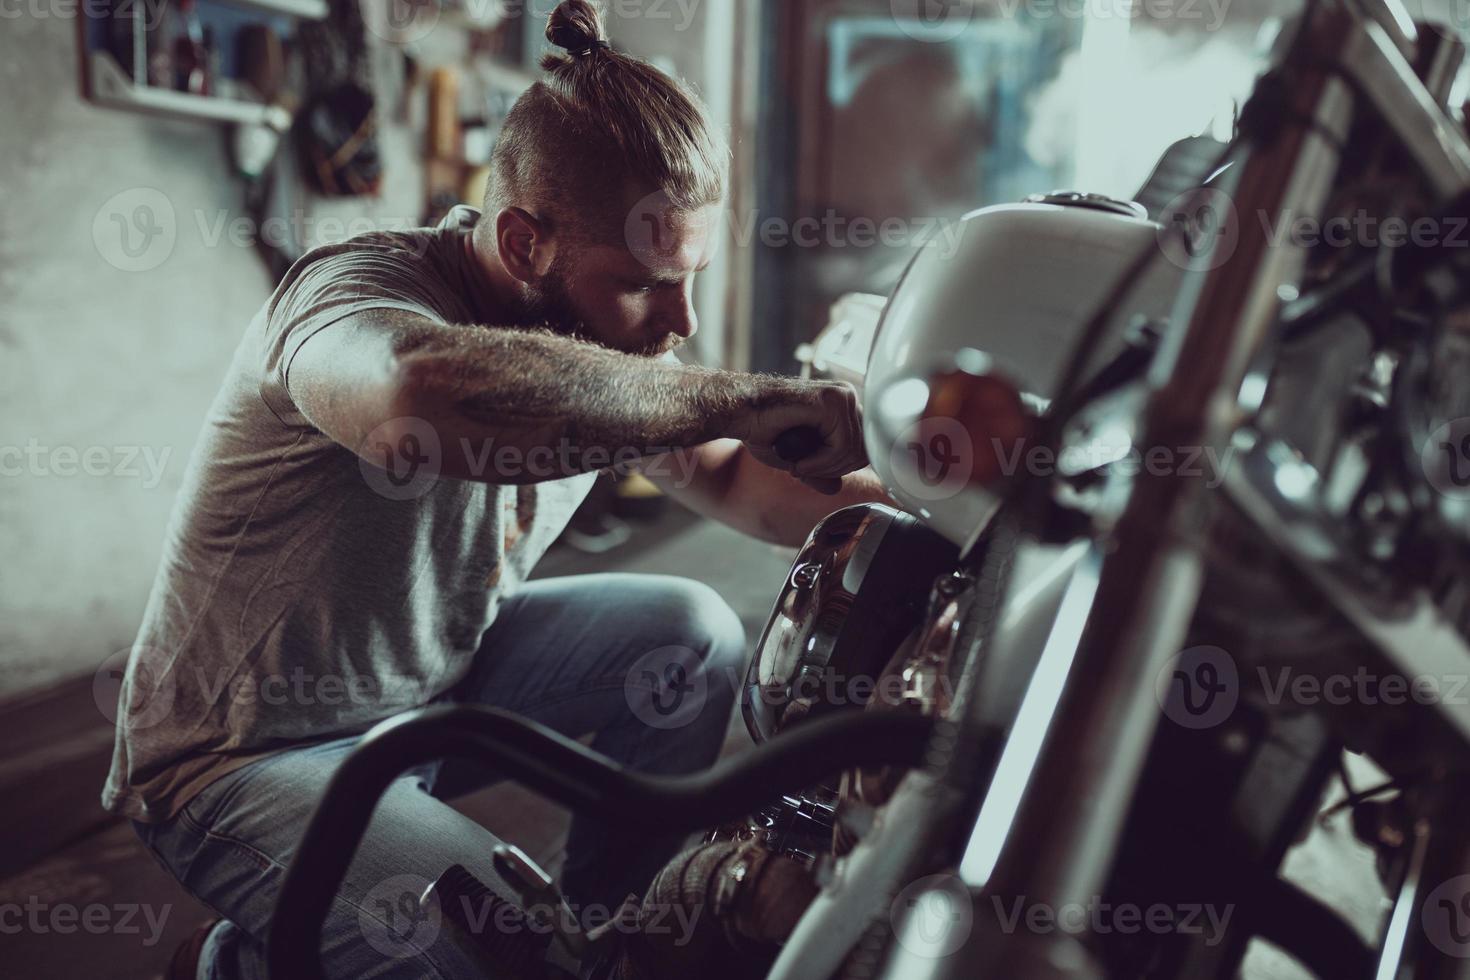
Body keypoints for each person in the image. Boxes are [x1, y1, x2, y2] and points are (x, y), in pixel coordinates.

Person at [102, 1, 888, 977]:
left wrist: (942, 508)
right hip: (239, 755)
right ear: (523, 245)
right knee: (500, 944)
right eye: (647, 282)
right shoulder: (349, 297)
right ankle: (241, 963)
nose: (679, 321)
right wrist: (732, 396)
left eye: (693, 278)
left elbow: (737, 474)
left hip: (430, 687)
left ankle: (606, 939)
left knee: (689, 633)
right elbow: (412, 393)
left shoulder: (605, 339)